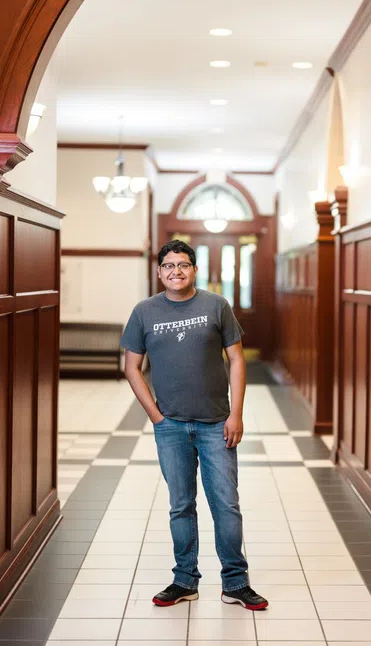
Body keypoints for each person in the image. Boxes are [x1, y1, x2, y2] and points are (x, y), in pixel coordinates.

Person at [121, 239, 268, 611]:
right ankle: (185, 580)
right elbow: (131, 367)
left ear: (194, 270)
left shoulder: (216, 305)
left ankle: (235, 582)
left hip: (217, 424)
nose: (176, 271)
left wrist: (236, 413)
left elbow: (236, 360)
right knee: (181, 505)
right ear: (159, 272)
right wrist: (156, 416)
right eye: (168, 266)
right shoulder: (144, 311)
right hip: (170, 426)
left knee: (226, 505)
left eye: (183, 264)